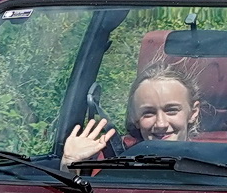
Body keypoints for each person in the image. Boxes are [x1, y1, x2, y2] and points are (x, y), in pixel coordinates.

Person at [61, 64, 201, 168]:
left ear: (193, 112)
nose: (161, 123)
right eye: (148, 113)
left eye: (171, 111)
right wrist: (69, 162)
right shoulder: (114, 160)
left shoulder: (216, 163)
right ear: (134, 117)